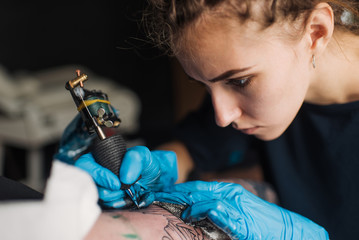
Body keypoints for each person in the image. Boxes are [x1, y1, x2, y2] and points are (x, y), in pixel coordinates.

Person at [57, 0, 359, 239]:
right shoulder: (266, 88)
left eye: (239, 82)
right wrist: (149, 172)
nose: (223, 116)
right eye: (204, 85)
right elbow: (195, 144)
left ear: (316, 32)